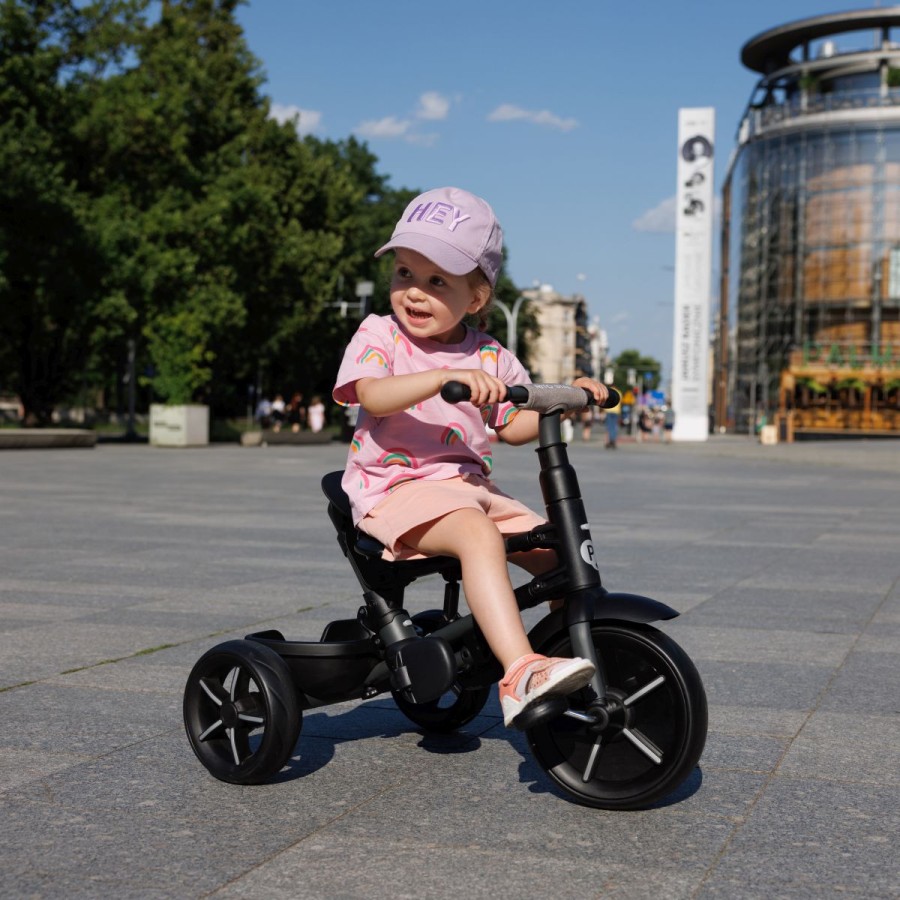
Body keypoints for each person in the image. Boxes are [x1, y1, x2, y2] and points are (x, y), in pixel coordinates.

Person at [333, 187, 608, 728]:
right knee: (477, 534)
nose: (414, 292)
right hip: (394, 492)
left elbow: (514, 425)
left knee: (558, 552)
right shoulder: (380, 334)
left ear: (476, 298)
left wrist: (568, 398)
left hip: (470, 492)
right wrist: (439, 377)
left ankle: (578, 660)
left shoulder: (489, 356)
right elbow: (370, 395)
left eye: (437, 282)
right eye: (406, 273)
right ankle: (519, 671)